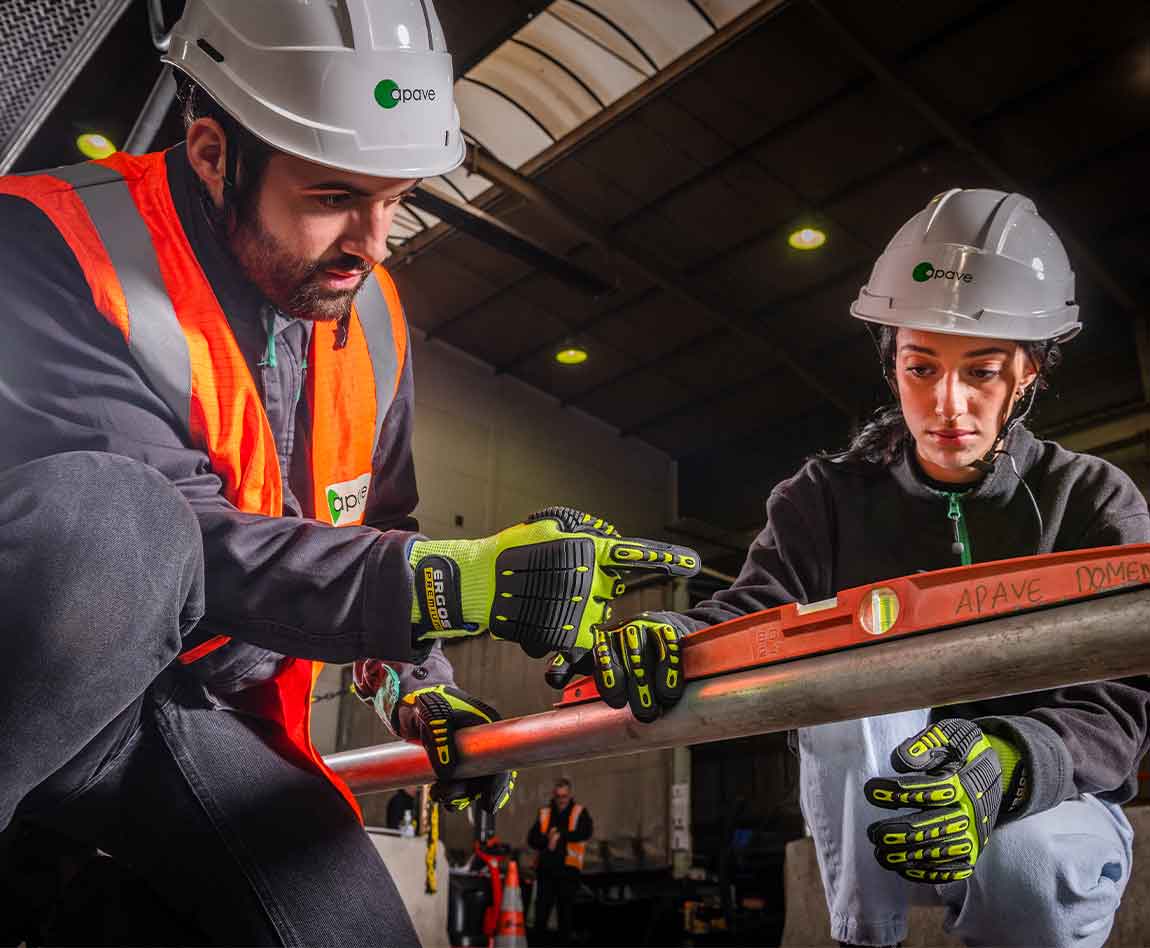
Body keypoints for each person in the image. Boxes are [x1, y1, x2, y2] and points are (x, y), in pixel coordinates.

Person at [0, 1, 698, 943]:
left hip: (199, 709)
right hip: (47, 667)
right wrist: (450, 583)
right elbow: (179, 548)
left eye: (396, 198)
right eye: (333, 196)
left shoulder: (370, 315)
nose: (372, 243)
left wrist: (418, 679)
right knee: (116, 517)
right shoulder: (52, 239)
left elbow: (378, 524)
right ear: (212, 154)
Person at [552, 189, 1150, 948]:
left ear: (1029, 370)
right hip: (881, 813)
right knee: (836, 665)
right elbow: (755, 610)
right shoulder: (824, 500)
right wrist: (674, 635)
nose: (947, 404)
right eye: (921, 367)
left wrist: (1005, 760)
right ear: (891, 360)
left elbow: (1119, 704)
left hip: (1042, 805)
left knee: (1024, 867)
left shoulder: (1092, 500)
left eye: (982, 372)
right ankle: (865, 939)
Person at [528, 778, 594, 946]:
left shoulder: (579, 812)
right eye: (558, 796)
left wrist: (560, 835)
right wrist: (547, 839)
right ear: (554, 795)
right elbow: (532, 839)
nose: (561, 800)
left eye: (564, 796)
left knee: (565, 915)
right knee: (541, 915)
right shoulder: (545, 813)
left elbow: (585, 832)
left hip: (568, 871)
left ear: (570, 795)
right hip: (546, 871)